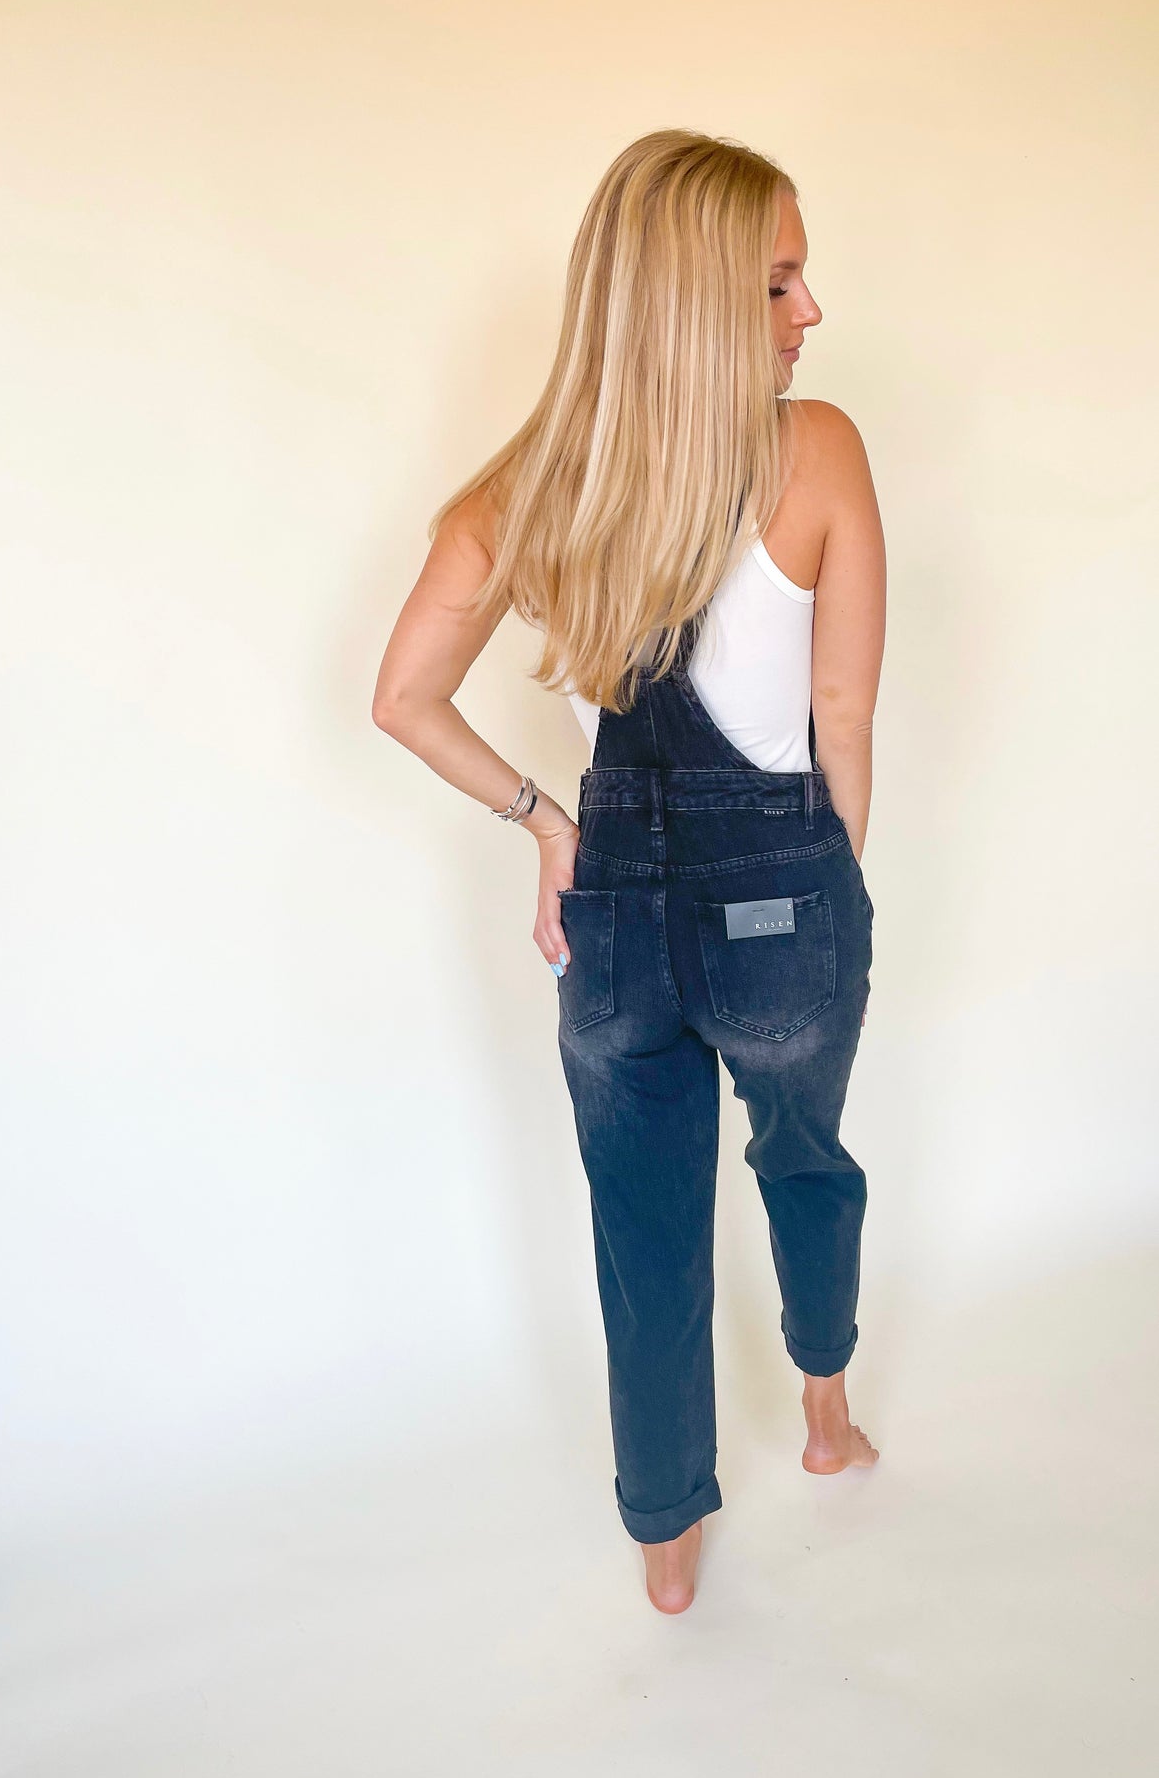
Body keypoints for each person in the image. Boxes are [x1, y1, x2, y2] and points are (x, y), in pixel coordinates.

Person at [373, 128, 886, 1616]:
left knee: (641, 1231)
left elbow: (401, 699)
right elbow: (842, 715)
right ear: (692, 299)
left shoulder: (528, 491)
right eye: (778, 282)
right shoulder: (819, 450)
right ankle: (825, 1413)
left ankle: (666, 1544)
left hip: (610, 914)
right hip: (783, 888)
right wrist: (829, 895)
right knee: (803, 1154)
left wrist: (550, 824)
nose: (809, 311)